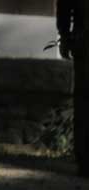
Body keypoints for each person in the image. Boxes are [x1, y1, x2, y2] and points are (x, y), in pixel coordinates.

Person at [57, 0, 89, 177]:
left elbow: (64, 9)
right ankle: (83, 159)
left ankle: (84, 160)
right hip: (83, 42)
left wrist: (65, 36)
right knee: (83, 103)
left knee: (83, 103)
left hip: (83, 41)